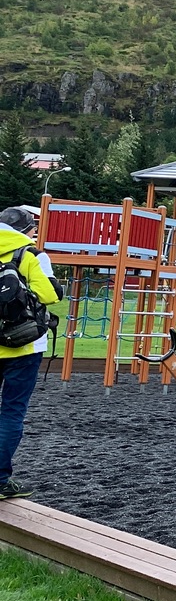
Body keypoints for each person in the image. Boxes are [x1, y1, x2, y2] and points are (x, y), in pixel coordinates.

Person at [0, 206, 60, 499]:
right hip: (23, 344)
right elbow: (50, 295)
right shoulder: (30, 254)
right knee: (12, 411)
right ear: (26, 230)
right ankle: (0, 479)